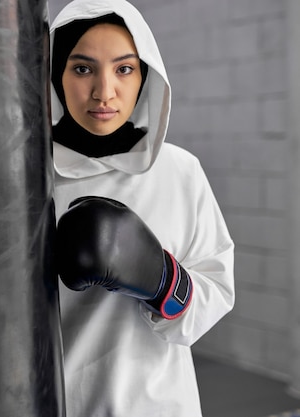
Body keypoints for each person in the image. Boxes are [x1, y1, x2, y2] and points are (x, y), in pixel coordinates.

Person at [49, 0, 235, 416]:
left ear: (145, 74)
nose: (104, 91)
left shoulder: (179, 171)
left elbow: (218, 291)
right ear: (56, 74)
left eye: (123, 69)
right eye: (82, 69)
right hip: (60, 402)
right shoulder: (27, 178)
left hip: (157, 404)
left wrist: (163, 281)